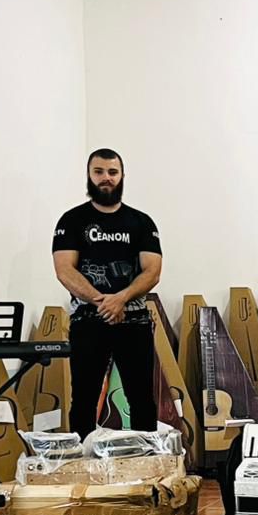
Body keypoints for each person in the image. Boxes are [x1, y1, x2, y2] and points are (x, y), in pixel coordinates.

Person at [53, 149, 163, 436]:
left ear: (122, 176)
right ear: (89, 175)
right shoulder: (71, 220)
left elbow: (152, 271)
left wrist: (121, 299)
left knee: (142, 399)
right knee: (84, 400)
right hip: (88, 322)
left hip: (134, 322)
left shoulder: (141, 223)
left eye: (112, 172)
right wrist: (103, 302)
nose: (106, 178)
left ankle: (147, 459)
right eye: (99, 172)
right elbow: (64, 270)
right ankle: (83, 457)